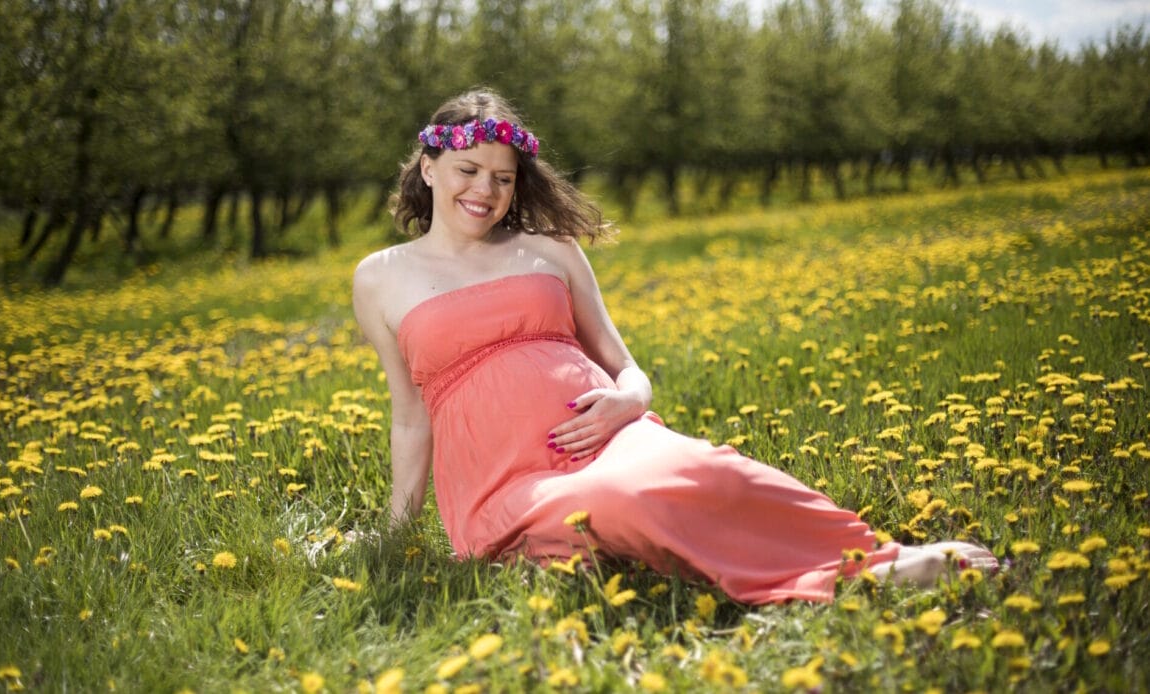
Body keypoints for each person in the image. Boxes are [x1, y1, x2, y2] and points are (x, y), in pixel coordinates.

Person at [351, 89, 997, 604]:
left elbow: (625, 365)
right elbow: (411, 416)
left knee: (707, 468)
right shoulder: (381, 277)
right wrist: (396, 533)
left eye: (503, 178)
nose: (485, 192)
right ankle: (826, 575)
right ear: (429, 167)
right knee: (625, 502)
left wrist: (627, 403)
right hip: (500, 482)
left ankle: (872, 559)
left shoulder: (550, 249)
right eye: (469, 171)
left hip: (608, 437)